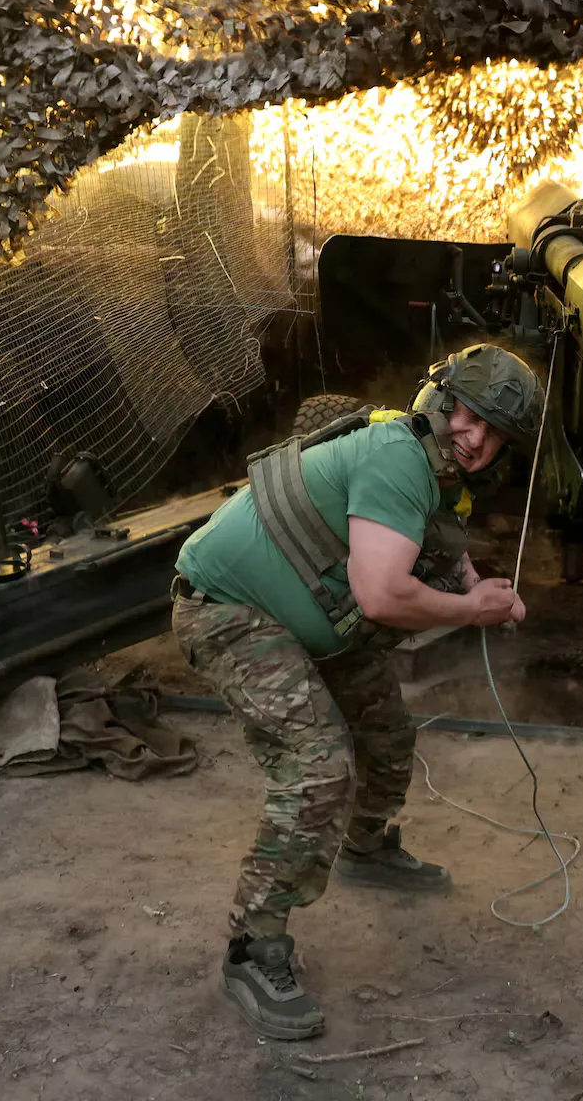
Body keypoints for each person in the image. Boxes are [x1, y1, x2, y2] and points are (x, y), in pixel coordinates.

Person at [170, 343, 544, 1039]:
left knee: (385, 730)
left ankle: (365, 848)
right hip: (226, 609)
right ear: (441, 399)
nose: (474, 436)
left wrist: (474, 587)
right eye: (469, 414)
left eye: (493, 431)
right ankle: (253, 950)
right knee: (316, 770)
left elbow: (432, 538)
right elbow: (379, 595)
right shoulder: (397, 457)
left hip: (301, 620)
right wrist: (473, 612)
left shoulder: (428, 469)